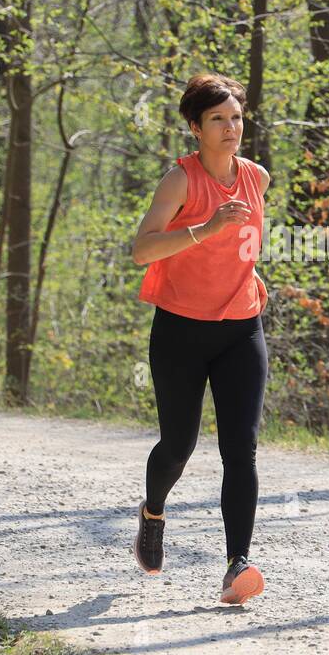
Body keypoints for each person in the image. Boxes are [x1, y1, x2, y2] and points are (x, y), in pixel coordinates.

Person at [130, 72, 270, 605]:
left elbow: (246, 241)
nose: (231, 127)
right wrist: (205, 229)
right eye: (218, 119)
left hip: (241, 328)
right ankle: (153, 511)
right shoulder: (181, 181)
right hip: (181, 331)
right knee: (178, 445)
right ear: (196, 127)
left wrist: (252, 272)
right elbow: (143, 251)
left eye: (236, 117)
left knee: (242, 449)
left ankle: (238, 565)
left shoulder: (257, 178)